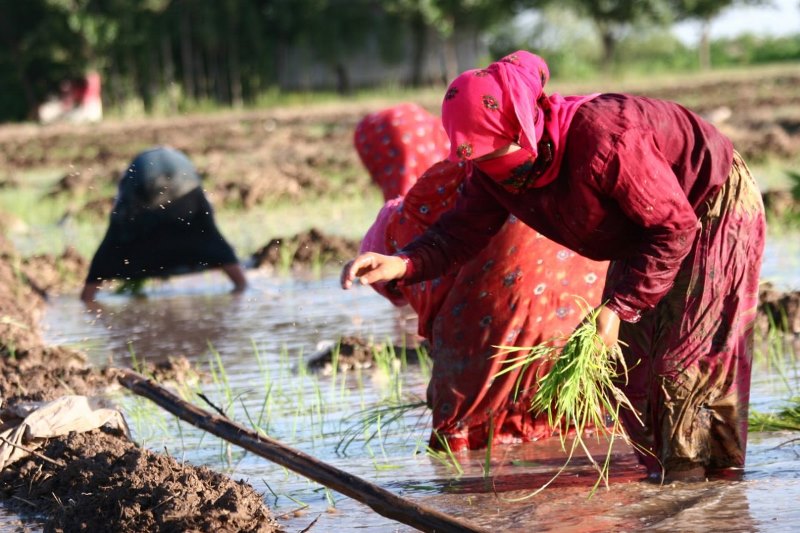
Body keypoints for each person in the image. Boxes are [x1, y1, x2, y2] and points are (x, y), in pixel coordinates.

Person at [342, 51, 766, 481]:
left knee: (681, 364)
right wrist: (401, 263)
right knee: (625, 368)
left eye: (498, 154)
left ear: (524, 124)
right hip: (644, 226)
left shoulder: (605, 138)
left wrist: (620, 307)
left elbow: (674, 227)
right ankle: (667, 479)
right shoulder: (493, 171)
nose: (495, 171)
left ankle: (709, 489)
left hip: (710, 204)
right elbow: (460, 233)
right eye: (481, 160)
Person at [353, 103, 608, 451]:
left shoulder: (456, 304)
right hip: (589, 304)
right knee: (585, 434)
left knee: (474, 454)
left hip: (511, 325)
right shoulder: (473, 178)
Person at [81, 146, 247, 302]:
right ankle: (241, 284)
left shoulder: (138, 170)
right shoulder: (179, 165)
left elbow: (118, 216)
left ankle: (88, 295)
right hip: (182, 196)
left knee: (109, 252)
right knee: (211, 239)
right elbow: (208, 217)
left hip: (147, 198)